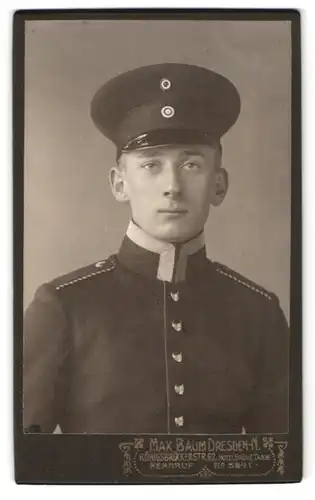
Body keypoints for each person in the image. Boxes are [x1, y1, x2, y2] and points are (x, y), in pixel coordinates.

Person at [23, 63, 289, 435]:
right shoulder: (63, 307)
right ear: (119, 184)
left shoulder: (259, 315)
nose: (172, 186)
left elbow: (286, 468)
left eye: (192, 165)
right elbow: (18, 466)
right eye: (151, 165)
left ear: (218, 186)